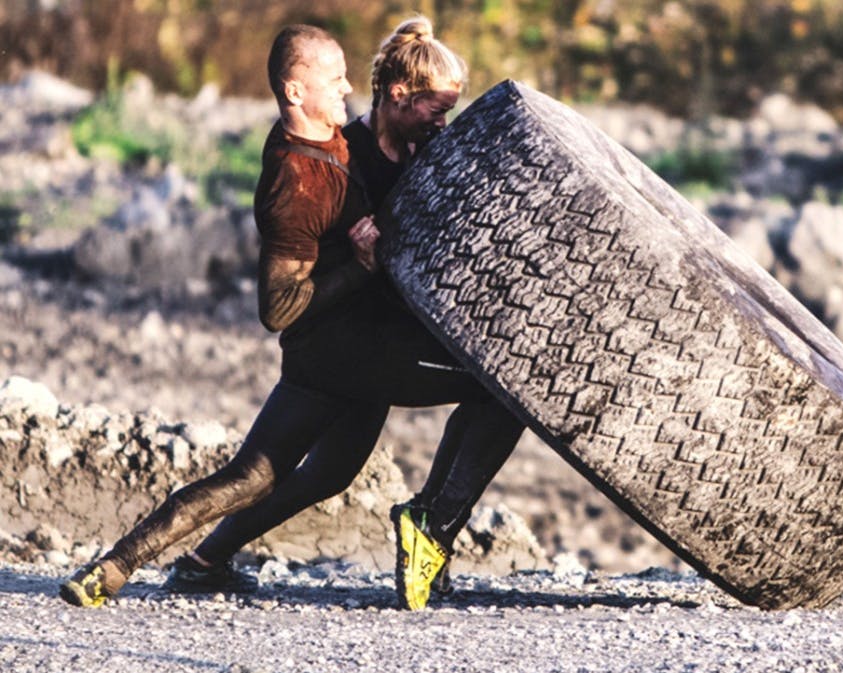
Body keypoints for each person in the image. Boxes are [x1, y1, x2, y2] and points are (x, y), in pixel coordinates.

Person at [60, 20, 523, 612]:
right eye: (334, 80)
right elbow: (277, 308)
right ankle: (430, 525)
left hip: (340, 346)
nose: (348, 88)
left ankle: (149, 566)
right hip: (345, 345)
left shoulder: (371, 143)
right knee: (500, 389)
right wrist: (362, 264)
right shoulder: (302, 177)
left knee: (274, 474)